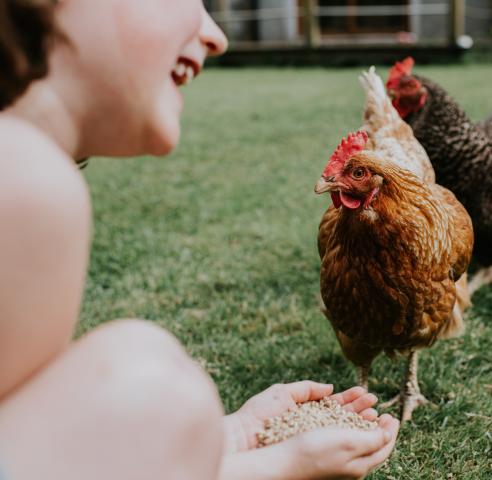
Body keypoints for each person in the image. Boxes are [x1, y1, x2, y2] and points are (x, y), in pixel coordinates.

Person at [0, 1, 400, 479]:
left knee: (147, 364)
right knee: (159, 386)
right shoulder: (25, 177)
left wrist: (236, 436)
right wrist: (279, 465)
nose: (216, 36)